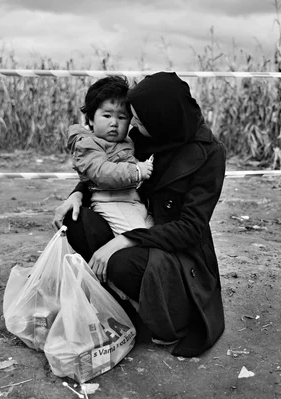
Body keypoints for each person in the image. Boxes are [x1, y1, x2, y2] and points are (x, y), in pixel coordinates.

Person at [53, 71, 227, 357]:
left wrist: (126, 240)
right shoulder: (148, 134)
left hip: (174, 248)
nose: (132, 124)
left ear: (163, 119)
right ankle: (117, 301)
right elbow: (107, 170)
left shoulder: (210, 153)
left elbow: (190, 228)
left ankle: (167, 312)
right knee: (77, 221)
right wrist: (76, 194)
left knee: (120, 262)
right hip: (134, 217)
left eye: (138, 120)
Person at [68, 76, 154, 240]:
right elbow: (101, 172)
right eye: (107, 116)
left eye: (121, 118)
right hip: (110, 201)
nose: (114, 123)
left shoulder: (127, 142)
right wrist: (136, 171)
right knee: (140, 239)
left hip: (133, 201)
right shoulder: (88, 144)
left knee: (154, 233)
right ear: (91, 119)